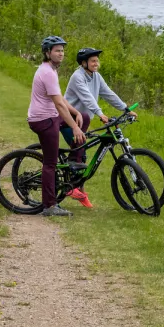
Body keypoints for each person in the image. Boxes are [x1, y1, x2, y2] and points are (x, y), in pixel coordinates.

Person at [62, 47, 133, 207]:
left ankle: (78, 191)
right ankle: (72, 189)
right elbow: (87, 98)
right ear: (84, 63)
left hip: (83, 121)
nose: (97, 64)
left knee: (81, 154)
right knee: (80, 153)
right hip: (69, 120)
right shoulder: (77, 77)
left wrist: (125, 108)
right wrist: (100, 114)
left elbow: (108, 93)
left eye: (97, 60)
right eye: (93, 61)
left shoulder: (96, 76)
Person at [27, 36, 84, 217]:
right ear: (47, 52)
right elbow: (59, 105)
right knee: (50, 163)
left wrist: (76, 113)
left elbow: (60, 99)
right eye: (57, 50)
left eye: (62, 50)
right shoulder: (48, 72)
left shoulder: (50, 69)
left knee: (86, 118)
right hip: (44, 120)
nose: (61, 54)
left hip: (51, 116)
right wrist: (74, 127)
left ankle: (74, 159)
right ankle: (49, 206)